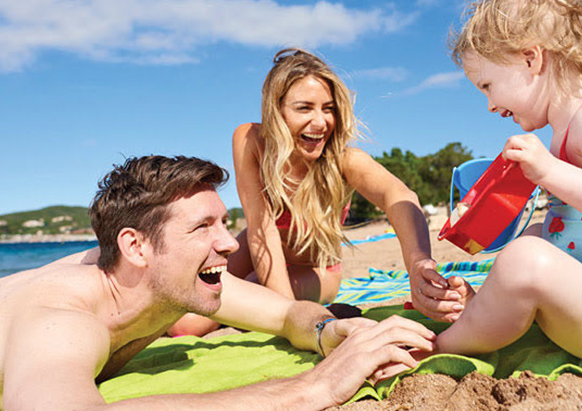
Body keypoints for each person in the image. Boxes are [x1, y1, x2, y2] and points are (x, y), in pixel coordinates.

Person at [0, 155, 437, 410]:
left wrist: (328, 332)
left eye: (225, 224)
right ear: (135, 247)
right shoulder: (60, 322)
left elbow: (285, 313)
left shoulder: (168, 279)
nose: (230, 244)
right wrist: (315, 386)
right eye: (202, 228)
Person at [421, 0, 582, 363]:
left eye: (488, 86)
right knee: (533, 236)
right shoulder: (568, 128)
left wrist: (548, 172)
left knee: (524, 259)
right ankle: (486, 312)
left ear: (531, 59)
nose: (490, 105)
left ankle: (439, 347)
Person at [170, 48, 465, 337]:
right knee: (183, 321)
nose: (321, 122)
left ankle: (253, 312)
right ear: (277, 110)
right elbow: (261, 229)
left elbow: (399, 196)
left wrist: (417, 262)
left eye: (328, 109)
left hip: (316, 270)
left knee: (246, 291)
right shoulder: (251, 141)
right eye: (304, 108)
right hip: (254, 246)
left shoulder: (344, 161)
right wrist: (281, 307)